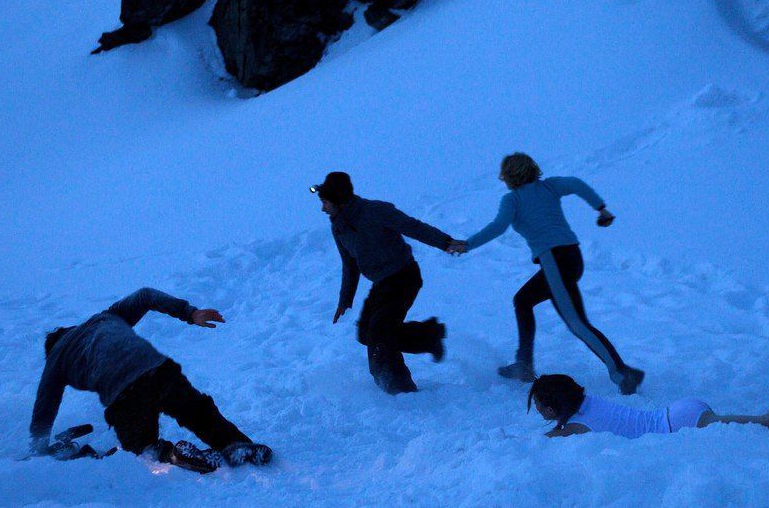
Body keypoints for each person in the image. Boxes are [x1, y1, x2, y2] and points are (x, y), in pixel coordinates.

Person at [452, 152, 644, 394]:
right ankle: (524, 365)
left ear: (508, 177)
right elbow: (576, 183)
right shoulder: (549, 187)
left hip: (554, 260)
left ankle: (622, 373)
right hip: (572, 257)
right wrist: (601, 209)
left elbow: (498, 227)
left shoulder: (513, 200)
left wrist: (467, 244)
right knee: (523, 300)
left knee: (577, 323)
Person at [30, 287, 272, 470]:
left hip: (124, 392)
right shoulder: (103, 318)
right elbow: (145, 296)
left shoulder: (56, 359)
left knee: (142, 449)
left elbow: (44, 408)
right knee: (198, 413)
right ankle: (237, 446)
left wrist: (38, 450)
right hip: (159, 369)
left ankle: (172, 454)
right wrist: (191, 313)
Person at [529, 333, 769, 437]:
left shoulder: (573, 426)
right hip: (679, 413)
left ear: (552, 405)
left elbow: (535, 446)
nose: (540, 412)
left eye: (541, 406)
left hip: (683, 424)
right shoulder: (587, 404)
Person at [315, 171, 460, 394]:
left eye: (325, 202)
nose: (323, 208)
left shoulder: (374, 211)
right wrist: (345, 300)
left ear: (339, 199)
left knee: (380, 331)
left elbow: (413, 227)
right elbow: (349, 264)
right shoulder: (339, 227)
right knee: (365, 332)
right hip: (382, 283)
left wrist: (446, 242)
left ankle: (400, 388)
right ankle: (428, 336)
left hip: (403, 276)